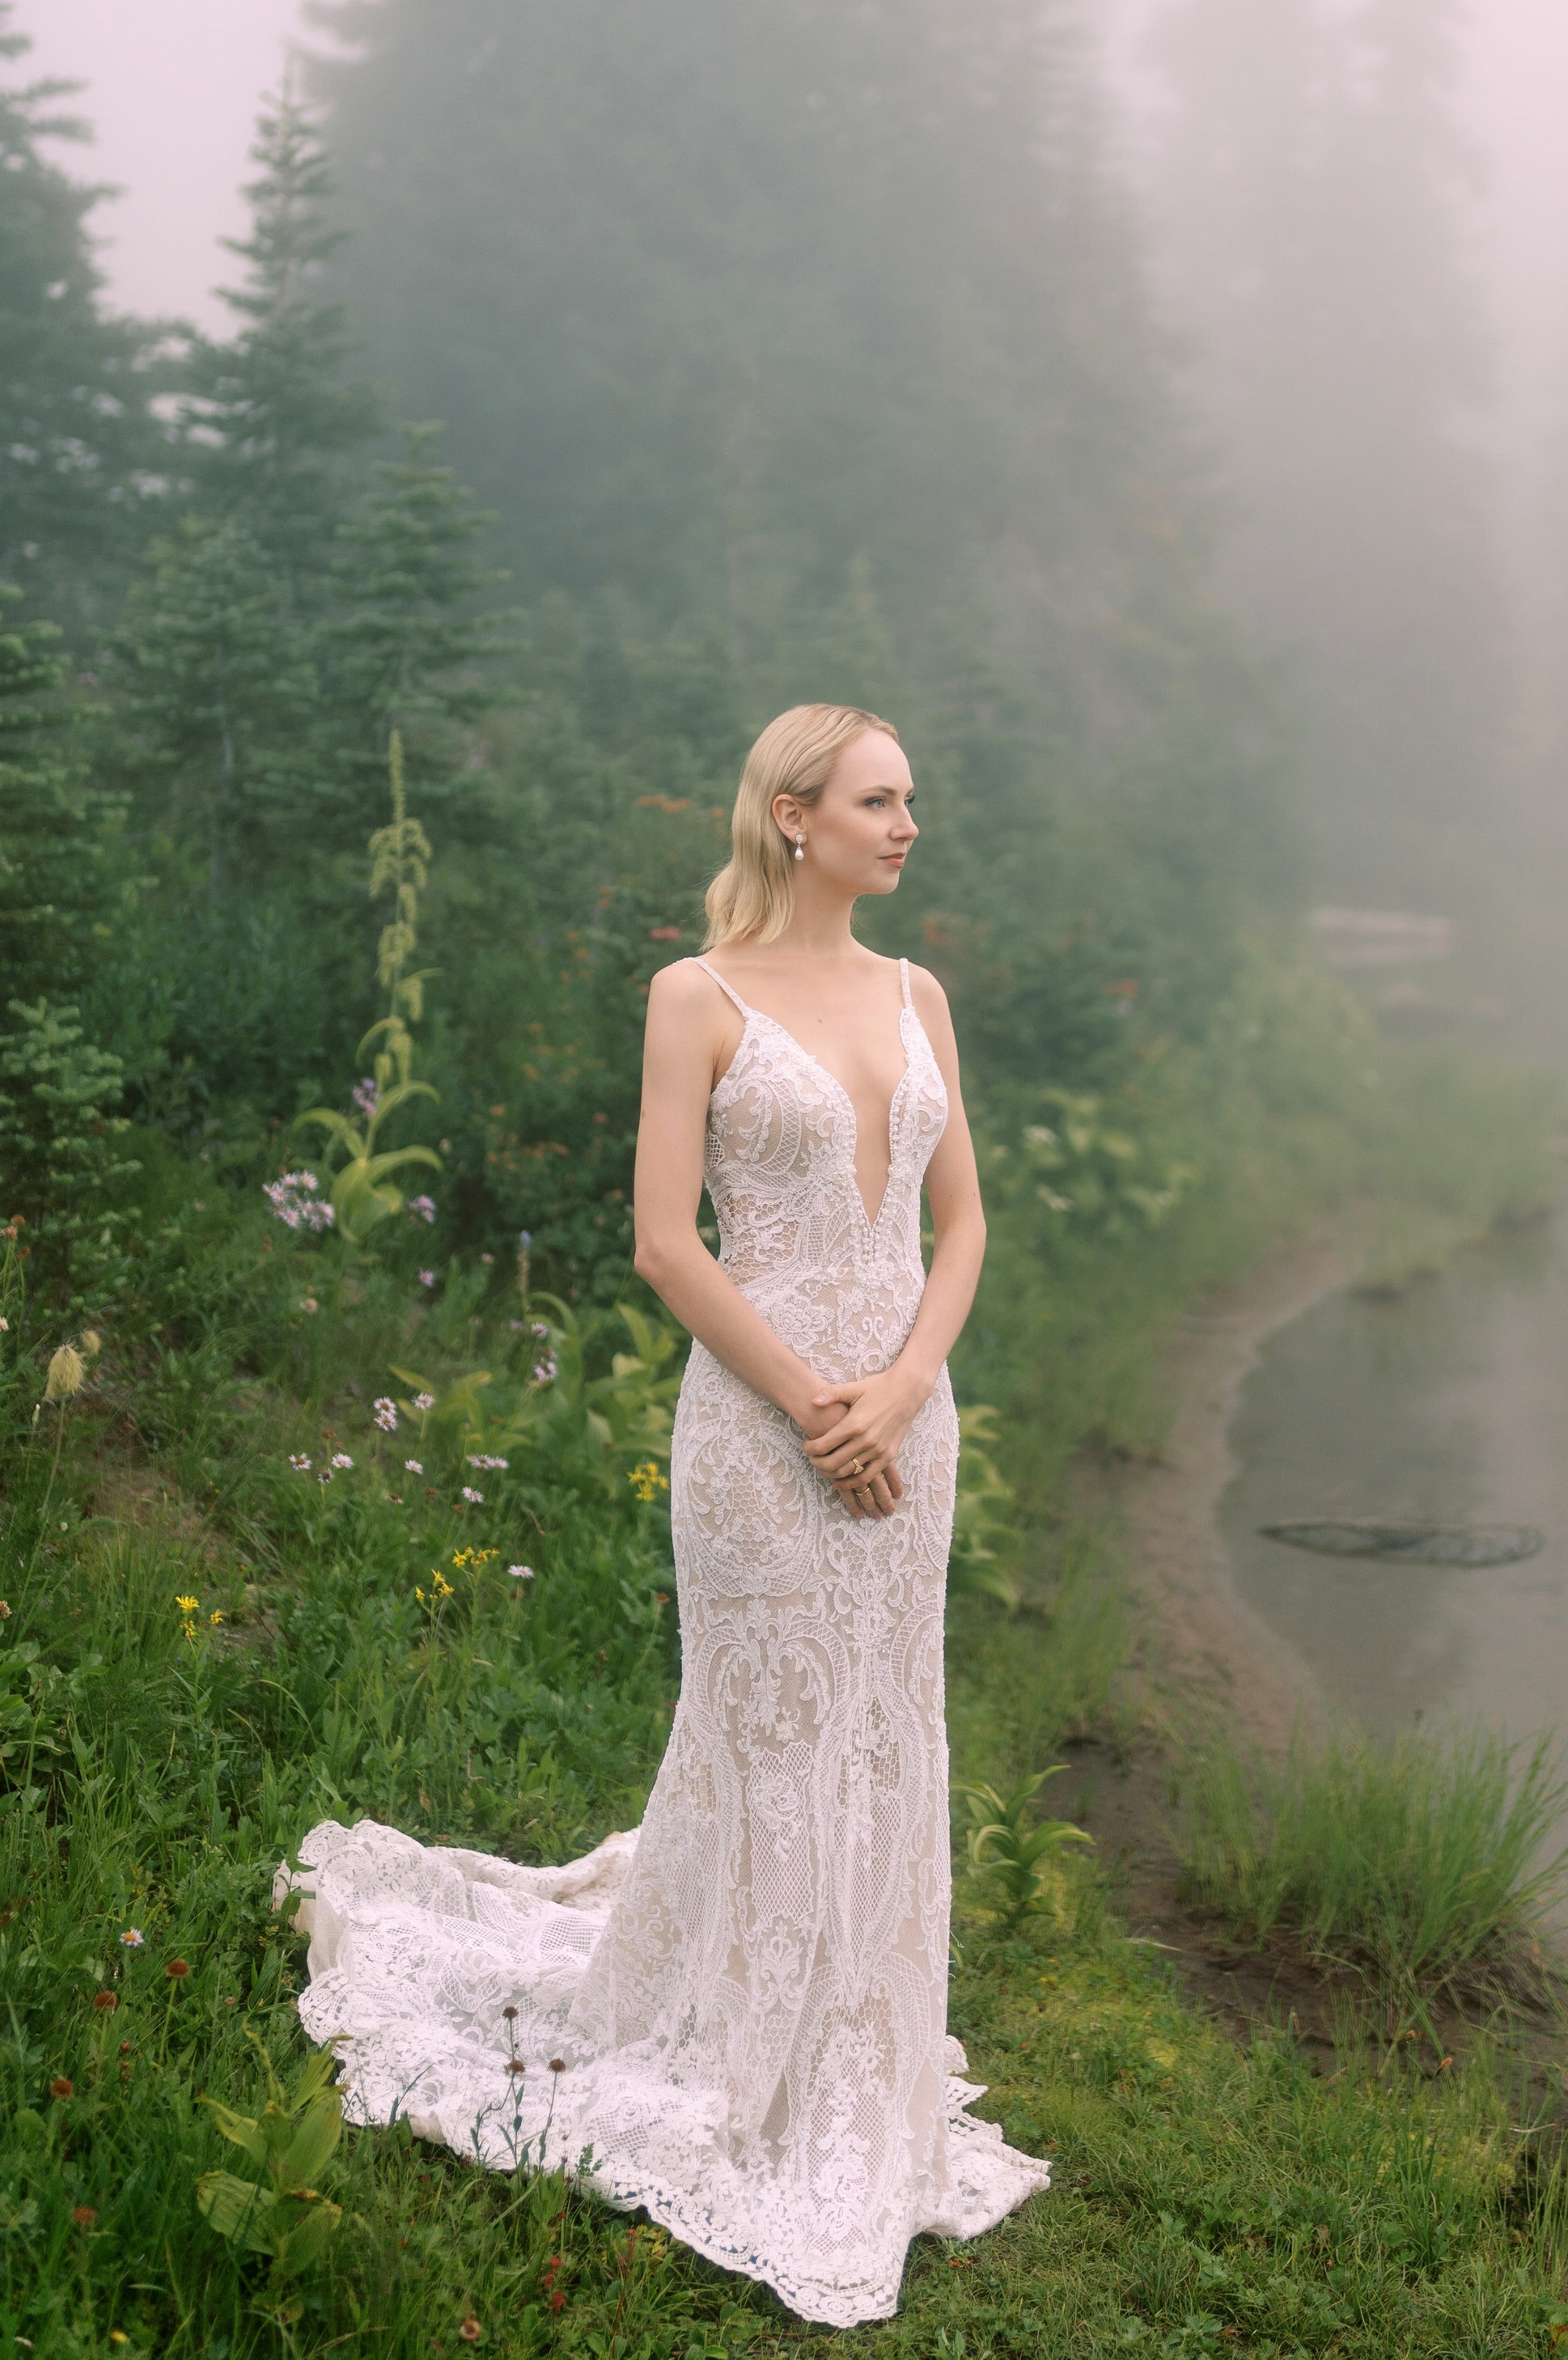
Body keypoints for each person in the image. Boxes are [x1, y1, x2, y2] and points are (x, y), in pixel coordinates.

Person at [282, 704, 1048, 2328]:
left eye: (910, 797)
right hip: (757, 1435)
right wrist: (811, 1407)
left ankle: (860, 2046)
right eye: (878, 799)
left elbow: (962, 1220)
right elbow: (662, 1244)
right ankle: (745, 2053)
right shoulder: (690, 999)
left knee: (882, 1721)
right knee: (769, 1726)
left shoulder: (919, 997)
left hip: (905, 1424)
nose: (908, 825)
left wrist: (901, 1389)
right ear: (791, 818)